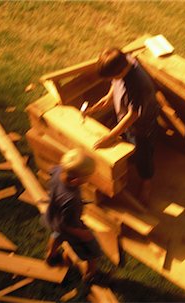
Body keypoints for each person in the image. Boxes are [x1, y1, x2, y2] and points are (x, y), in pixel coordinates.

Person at [84, 48, 159, 205]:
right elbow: (116, 81)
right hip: (126, 118)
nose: (112, 80)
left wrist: (111, 136)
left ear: (122, 70)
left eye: (113, 76)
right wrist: (108, 97)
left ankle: (147, 181)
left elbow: (133, 115)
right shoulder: (125, 61)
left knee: (143, 153)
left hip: (142, 125)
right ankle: (131, 157)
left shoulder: (138, 85)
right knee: (130, 144)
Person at [44, 148, 102, 282]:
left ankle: (50, 256)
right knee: (92, 250)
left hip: (53, 216)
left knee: (57, 235)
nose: (89, 179)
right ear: (76, 181)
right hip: (69, 226)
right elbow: (67, 225)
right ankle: (91, 274)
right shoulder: (72, 200)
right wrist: (83, 234)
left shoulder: (59, 171)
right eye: (87, 177)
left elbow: (51, 169)